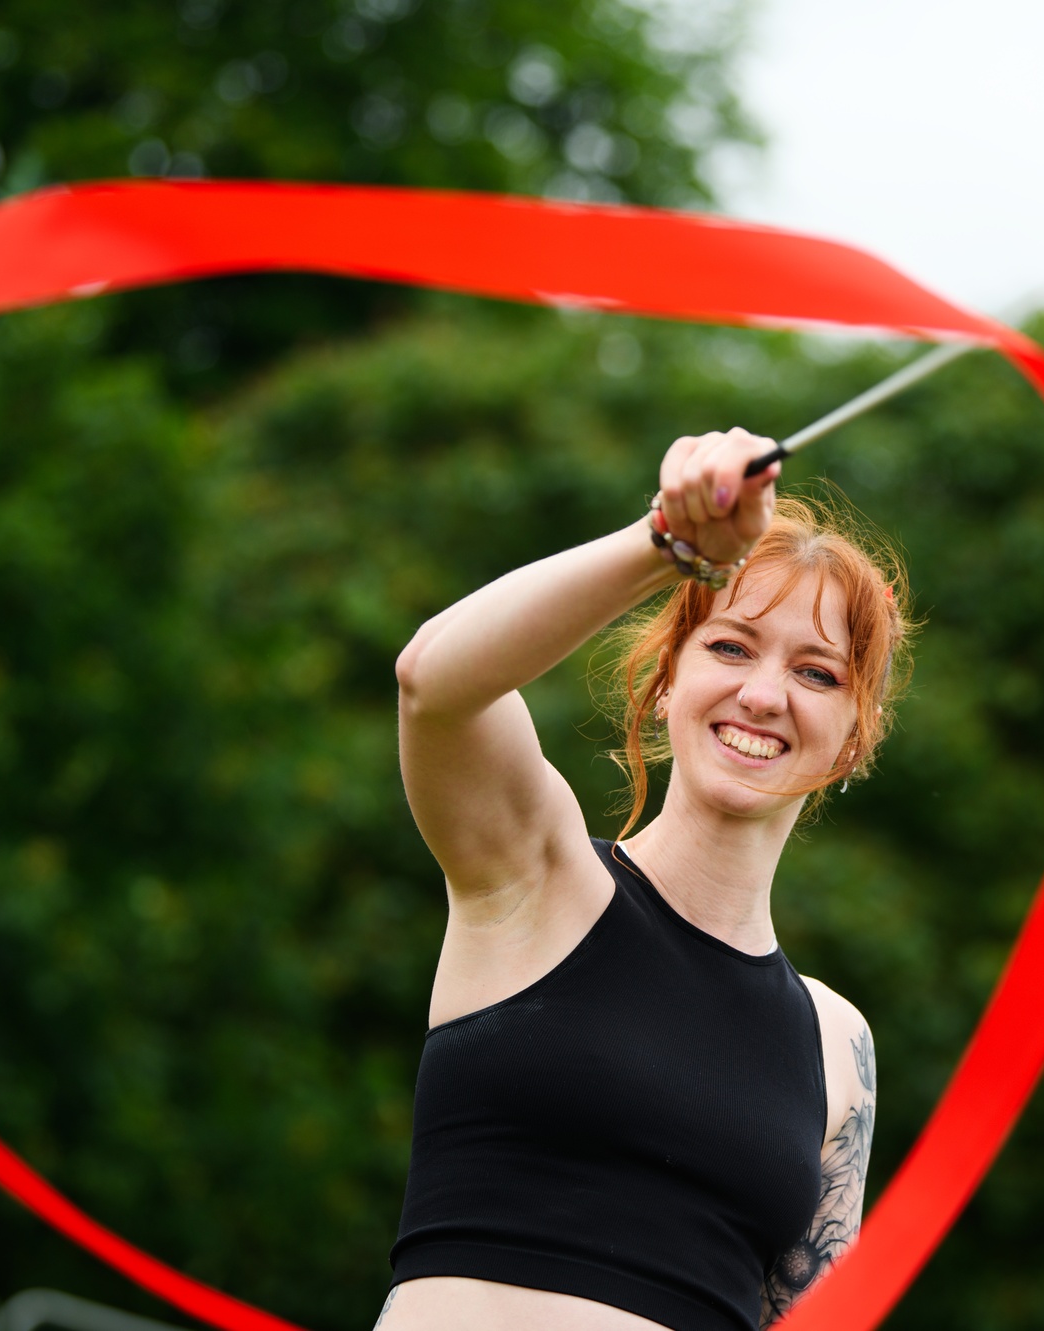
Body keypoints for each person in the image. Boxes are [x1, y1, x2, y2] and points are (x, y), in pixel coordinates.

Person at [379, 427, 912, 1331]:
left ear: (853, 739)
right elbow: (434, 681)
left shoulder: (837, 1041)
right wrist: (669, 542)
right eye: (732, 647)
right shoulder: (537, 869)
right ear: (666, 682)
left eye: (816, 672)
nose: (764, 695)